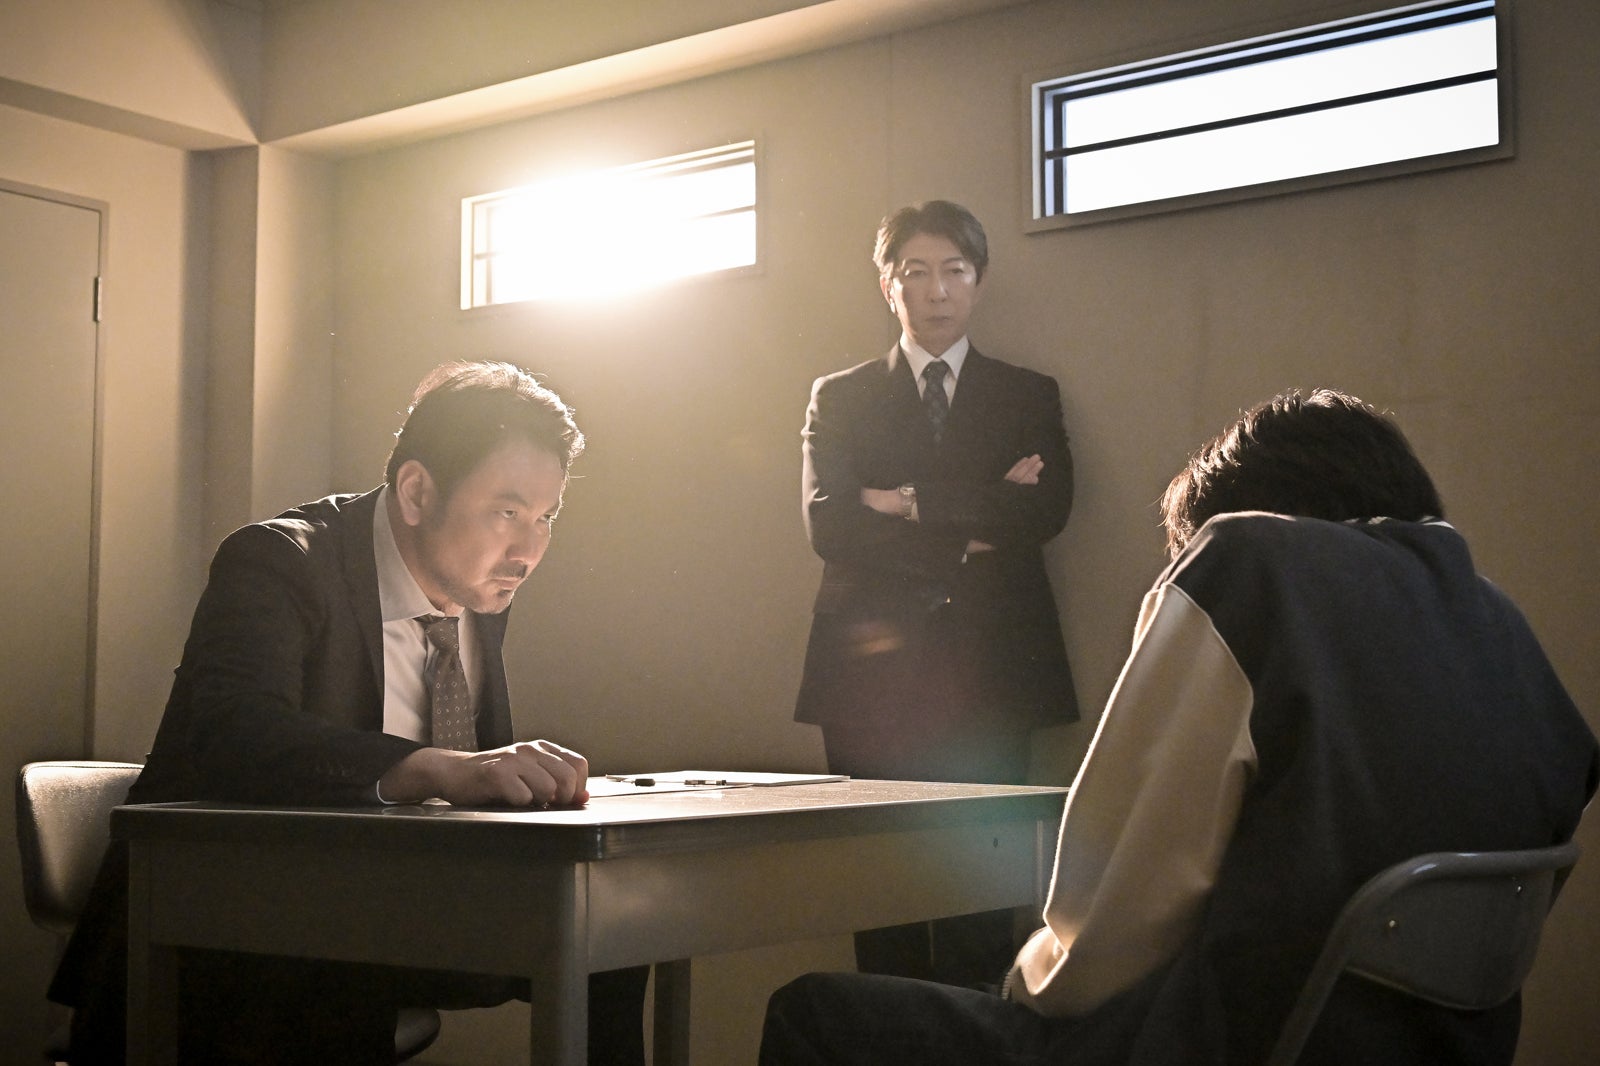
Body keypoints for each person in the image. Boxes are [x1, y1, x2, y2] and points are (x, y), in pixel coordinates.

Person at [763, 388, 1599, 1066]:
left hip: (1213, 1043)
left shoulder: (1248, 568)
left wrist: (1020, 988)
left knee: (818, 1011)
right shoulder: (1495, 625)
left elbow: (1103, 927)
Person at [50, 361, 648, 1064]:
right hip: (225, 925)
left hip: (385, 911)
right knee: (337, 974)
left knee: (610, 934)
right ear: (417, 492)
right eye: (507, 513)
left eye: (546, 518)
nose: (528, 550)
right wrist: (437, 769)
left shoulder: (479, 589)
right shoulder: (279, 560)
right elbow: (237, 736)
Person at [794, 200, 1079, 986]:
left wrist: (904, 501)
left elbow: (1043, 513)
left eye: (954, 270)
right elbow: (831, 525)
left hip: (993, 666)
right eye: (915, 272)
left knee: (981, 902)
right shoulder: (840, 395)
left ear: (979, 281)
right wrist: (975, 521)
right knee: (877, 889)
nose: (937, 289)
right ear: (889, 287)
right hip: (866, 677)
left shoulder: (1027, 393)